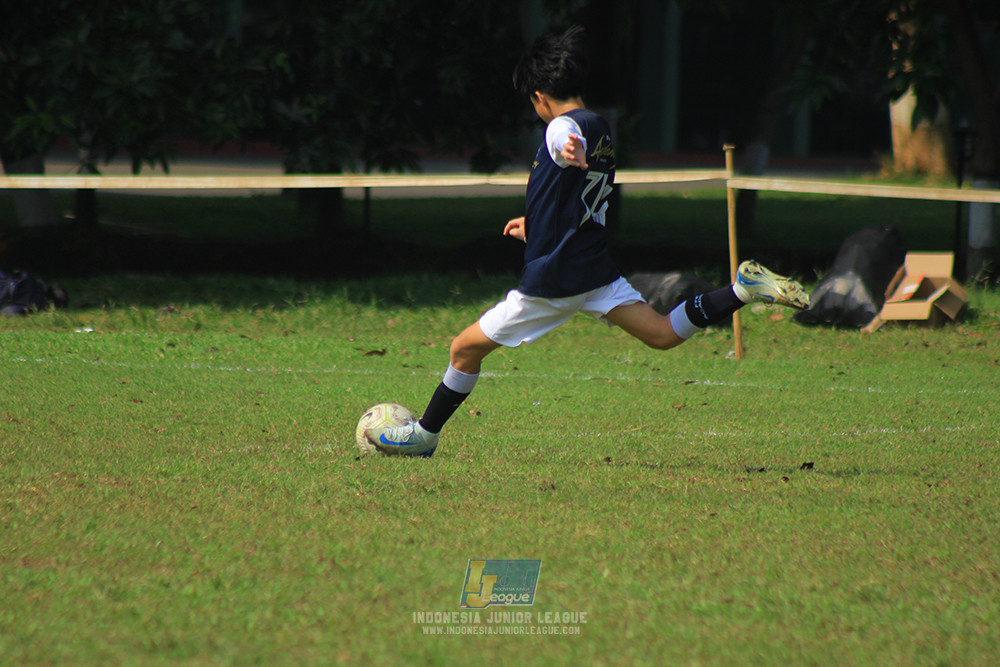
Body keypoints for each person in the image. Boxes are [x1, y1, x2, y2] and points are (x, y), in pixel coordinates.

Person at [366, 25, 809, 457]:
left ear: (540, 97)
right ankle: (741, 290)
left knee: (463, 348)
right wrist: (535, 223)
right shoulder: (602, 130)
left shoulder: (567, 129)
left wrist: (566, 144)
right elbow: (575, 196)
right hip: (593, 270)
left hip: (555, 280)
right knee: (661, 334)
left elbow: (563, 136)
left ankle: (423, 436)